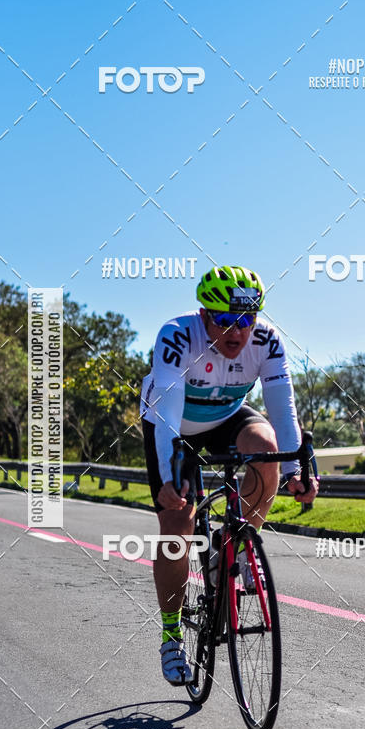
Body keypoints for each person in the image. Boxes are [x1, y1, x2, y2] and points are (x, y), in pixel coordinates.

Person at [140, 266, 318, 685]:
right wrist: (170, 480)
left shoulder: (267, 341)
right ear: (204, 315)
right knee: (177, 524)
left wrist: (295, 472)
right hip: (173, 422)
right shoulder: (177, 335)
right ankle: (170, 635)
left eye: (247, 318)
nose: (237, 331)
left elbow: (282, 408)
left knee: (269, 449)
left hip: (225, 415)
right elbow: (167, 414)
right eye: (225, 319)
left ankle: (231, 548)